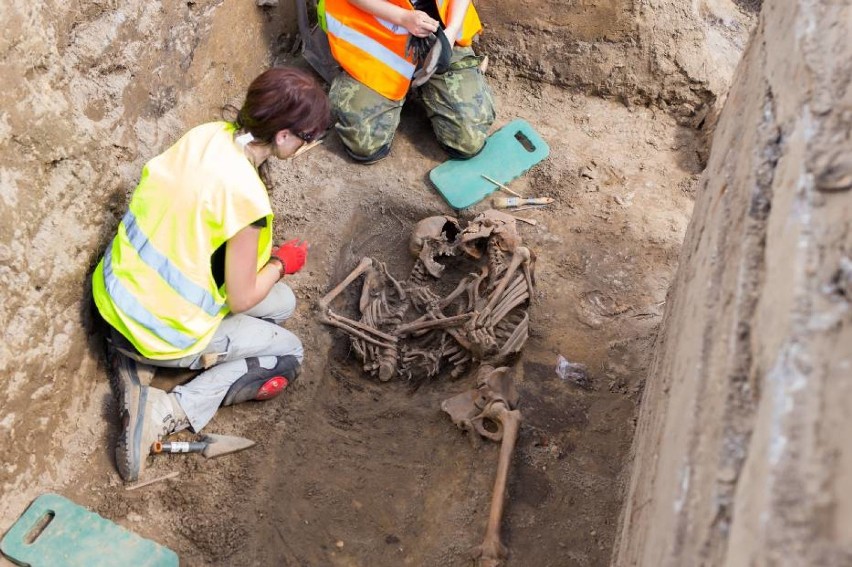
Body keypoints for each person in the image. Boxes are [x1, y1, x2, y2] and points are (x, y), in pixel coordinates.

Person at [91, 67, 332, 482]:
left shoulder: (207, 136)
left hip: (116, 292)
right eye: (307, 139)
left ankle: (138, 361)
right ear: (284, 136)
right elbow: (240, 298)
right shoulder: (246, 203)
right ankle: (167, 410)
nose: (307, 147)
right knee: (288, 353)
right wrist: (280, 264)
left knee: (283, 304)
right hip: (155, 330)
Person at [321, 0, 495, 163]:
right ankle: (357, 82)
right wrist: (402, 18)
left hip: (441, 33)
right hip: (377, 42)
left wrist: (451, 31)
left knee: (468, 140)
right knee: (364, 142)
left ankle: (430, 84)